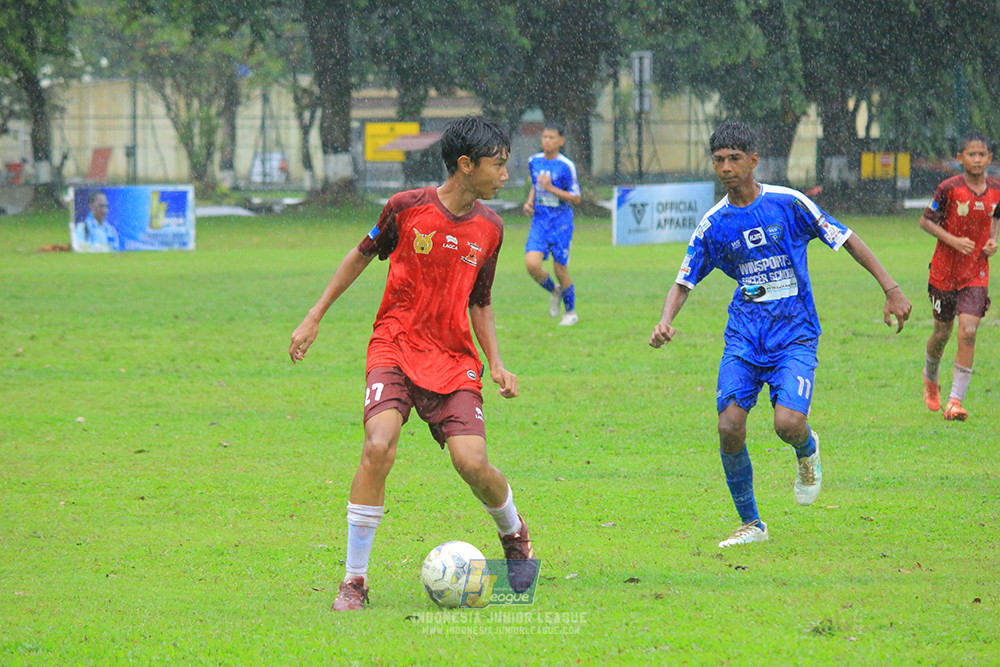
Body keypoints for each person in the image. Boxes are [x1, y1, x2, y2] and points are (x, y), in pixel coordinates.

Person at [289, 115, 537, 611]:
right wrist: (315, 315)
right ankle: (354, 581)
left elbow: (480, 301)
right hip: (395, 347)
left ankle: (514, 533)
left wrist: (496, 362)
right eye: (498, 166)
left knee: (472, 463)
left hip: (452, 359)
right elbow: (360, 255)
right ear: (466, 166)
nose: (505, 176)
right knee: (378, 446)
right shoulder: (406, 208)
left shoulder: (491, 228)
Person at [649, 120, 912, 549]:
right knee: (729, 426)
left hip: (795, 334)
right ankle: (752, 523)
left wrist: (892, 289)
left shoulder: (788, 204)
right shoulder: (714, 223)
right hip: (745, 337)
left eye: (735, 158)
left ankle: (807, 449)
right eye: (719, 160)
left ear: (754, 161)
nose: (727, 167)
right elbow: (684, 280)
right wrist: (665, 319)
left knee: (788, 424)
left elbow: (846, 238)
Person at [918, 131, 1000, 421]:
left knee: (968, 332)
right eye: (971, 154)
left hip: (976, 273)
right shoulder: (948, 188)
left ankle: (954, 401)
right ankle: (931, 378)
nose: (977, 159)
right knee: (942, 333)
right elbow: (925, 221)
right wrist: (953, 240)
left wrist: (992, 240)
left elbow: (996, 216)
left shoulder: (996, 189)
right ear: (960, 158)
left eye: (982, 155)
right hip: (944, 272)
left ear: (990, 158)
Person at [522, 122, 582, 326]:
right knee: (532, 264)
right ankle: (555, 290)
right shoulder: (534, 161)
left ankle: (571, 312)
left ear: (561, 141)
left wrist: (551, 188)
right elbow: (535, 185)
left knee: (560, 270)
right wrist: (530, 202)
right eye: (544, 137)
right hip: (540, 221)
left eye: (551, 137)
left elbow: (576, 197)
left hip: (561, 224)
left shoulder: (566, 166)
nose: (547, 141)